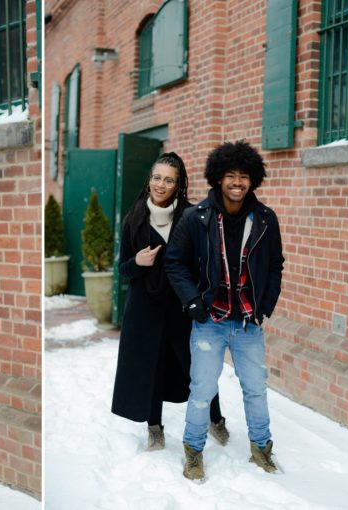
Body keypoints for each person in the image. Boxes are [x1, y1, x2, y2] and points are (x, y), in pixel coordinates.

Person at [165, 140, 285, 481]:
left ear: (253, 180)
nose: (237, 182)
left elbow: (276, 264)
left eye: (244, 176)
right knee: (202, 389)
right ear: (218, 177)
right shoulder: (195, 218)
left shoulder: (264, 218)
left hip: (248, 322)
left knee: (256, 388)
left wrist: (266, 303)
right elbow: (174, 263)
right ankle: (193, 452)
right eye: (230, 175)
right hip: (210, 322)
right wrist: (191, 301)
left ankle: (262, 449)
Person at [111, 152, 229, 451]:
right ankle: (154, 428)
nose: (160, 185)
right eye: (156, 177)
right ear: (149, 180)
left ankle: (215, 419)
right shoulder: (134, 218)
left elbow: (204, 264)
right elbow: (122, 269)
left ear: (179, 185)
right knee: (150, 366)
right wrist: (137, 262)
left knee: (198, 367)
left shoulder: (191, 217)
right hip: (144, 309)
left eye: (168, 180)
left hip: (181, 308)